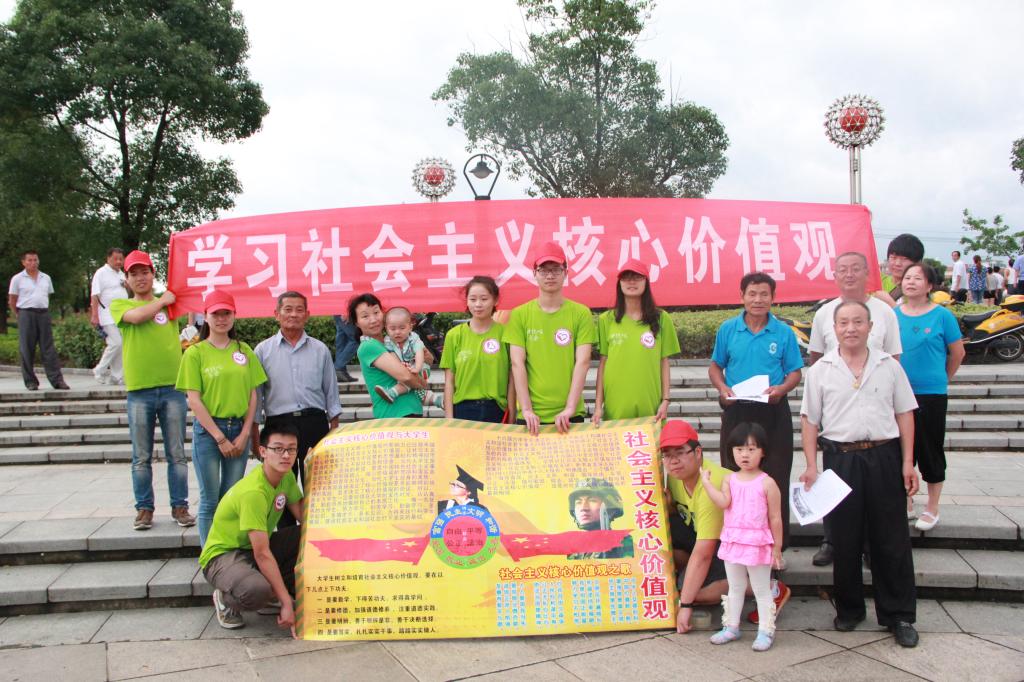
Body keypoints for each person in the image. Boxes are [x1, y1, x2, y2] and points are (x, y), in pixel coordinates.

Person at [799, 300, 920, 648]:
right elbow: (809, 420)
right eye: (843, 323)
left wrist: (907, 462)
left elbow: (905, 413)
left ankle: (899, 615)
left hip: (884, 455)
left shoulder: (888, 366)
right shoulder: (821, 370)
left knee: (891, 538)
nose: (850, 328)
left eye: (857, 322)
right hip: (841, 460)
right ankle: (849, 610)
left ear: (870, 327)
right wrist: (811, 465)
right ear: (834, 328)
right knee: (845, 538)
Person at [808, 251, 902, 567]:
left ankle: (872, 548)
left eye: (855, 269)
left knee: (877, 497)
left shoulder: (885, 312)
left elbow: (894, 361)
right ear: (835, 275)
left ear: (867, 273)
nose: (849, 275)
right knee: (836, 487)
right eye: (843, 270)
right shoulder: (824, 313)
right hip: (839, 416)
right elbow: (816, 359)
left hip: (875, 412)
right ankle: (832, 541)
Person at [709, 272, 801, 550]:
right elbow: (715, 366)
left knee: (776, 476)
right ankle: (737, 542)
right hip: (737, 410)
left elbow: (795, 372)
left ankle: (775, 547)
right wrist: (722, 388)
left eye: (764, 294)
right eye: (752, 294)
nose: (758, 299)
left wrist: (781, 389)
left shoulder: (783, 332)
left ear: (773, 297)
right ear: (742, 296)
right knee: (735, 475)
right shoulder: (728, 329)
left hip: (772, 410)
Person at [110, 250, 194, 531]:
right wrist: (162, 301)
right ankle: (144, 509)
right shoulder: (121, 304)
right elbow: (136, 318)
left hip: (172, 388)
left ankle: (180, 507)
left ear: (153, 273)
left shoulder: (169, 303)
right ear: (127, 279)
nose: (140, 278)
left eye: (144, 272)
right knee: (141, 456)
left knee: (176, 453)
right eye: (134, 274)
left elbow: (194, 298)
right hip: (139, 391)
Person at [176, 290, 267, 546]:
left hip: (238, 429)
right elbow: (194, 399)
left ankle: (228, 551)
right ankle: (210, 554)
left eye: (226, 313)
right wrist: (219, 437)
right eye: (216, 314)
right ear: (205, 316)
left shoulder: (244, 351)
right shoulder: (195, 353)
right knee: (209, 499)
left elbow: (253, 394)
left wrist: (245, 433)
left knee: (231, 496)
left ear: (234, 316)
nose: (221, 319)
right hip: (208, 432)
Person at [200, 421, 303, 633]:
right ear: (263, 451)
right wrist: (286, 603)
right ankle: (226, 600)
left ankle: (271, 594)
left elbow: (304, 516)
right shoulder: (254, 493)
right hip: (223, 555)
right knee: (255, 590)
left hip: (251, 549)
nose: (285, 455)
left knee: (306, 535)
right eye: (278, 449)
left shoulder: (286, 477)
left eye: (291, 449)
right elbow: (262, 553)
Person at [252, 291, 341, 528]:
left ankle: (320, 535)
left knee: (319, 485)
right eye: (288, 309)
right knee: (281, 487)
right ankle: (287, 538)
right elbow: (256, 397)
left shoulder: (320, 349)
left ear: (307, 315)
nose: (293, 314)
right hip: (278, 425)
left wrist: (333, 429)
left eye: (299, 310)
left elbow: (331, 392)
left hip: (314, 423)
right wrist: (255, 435)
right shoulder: (263, 351)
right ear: (276, 314)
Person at [701, 422, 783, 652]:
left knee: (761, 589)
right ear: (732, 451)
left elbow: (775, 517)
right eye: (739, 449)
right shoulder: (730, 479)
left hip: (757, 542)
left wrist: (777, 546)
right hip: (733, 539)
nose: (745, 455)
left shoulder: (767, 483)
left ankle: (766, 630)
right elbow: (723, 502)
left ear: (762, 451)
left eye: (751, 449)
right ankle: (731, 626)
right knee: (735, 586)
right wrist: (706, 483)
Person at [895, 264, 965, 531]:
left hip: (931, 394)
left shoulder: (942, 316)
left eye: (917, 278)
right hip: (898, 394)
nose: (910, 282)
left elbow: (957, 353)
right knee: (900, 450)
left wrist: (942, 379)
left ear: (929, 285)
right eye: (907, 277)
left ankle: (932, 507)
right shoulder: (893, 315)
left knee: (929, 448)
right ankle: (905, 501)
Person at [506, 241, 596, 436]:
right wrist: (527, 409)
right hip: (531, 418)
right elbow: (517, 363)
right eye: (544, 270)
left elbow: (583, 361)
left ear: (566, 272)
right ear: (534, 273)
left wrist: (570, 408)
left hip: (570, 415)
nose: (550, 275)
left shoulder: (581, 313)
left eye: (556, 269)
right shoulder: (519, 315)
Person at [661, 419, 730, 634]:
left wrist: (685, 605)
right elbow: (680, 517)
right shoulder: (676, 477)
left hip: (738, 548)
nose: (673, 461)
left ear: (698, 452)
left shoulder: (712, 483)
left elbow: (704, 553)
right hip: (703, 537)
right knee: (660, 534)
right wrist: (668, 505)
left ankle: (763, 587)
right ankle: (691, 582)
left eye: (680, 453)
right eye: (667, 455)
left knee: (689, 593)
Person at [592, 259, 679, 425]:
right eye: (626, 278)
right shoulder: (606, 320)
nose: (631, 282)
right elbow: (603, 363)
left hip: (650, 403)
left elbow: (664, 362)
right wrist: (598, 406)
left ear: (646, 282)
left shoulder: (661, 319)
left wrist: (666, 400)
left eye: (637, 277)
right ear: (619, 283)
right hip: (616, 402)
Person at [440, 276, 514, 423]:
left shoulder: (506, 334)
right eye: (473, 299)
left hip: (496, 410)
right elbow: (449, 381)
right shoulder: (454, 335)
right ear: (467, 301)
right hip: (462, 411)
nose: (478, 304)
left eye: (484, 299)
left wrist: (512, 416)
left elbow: (511, 379)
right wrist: (449, 418)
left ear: (495, 300)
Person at [350, 293, 428, 418]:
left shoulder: (393, 342)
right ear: (356, 323)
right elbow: (406, 376)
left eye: (376, 312)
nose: (373, 320)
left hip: (411, 410)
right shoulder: (369, 346)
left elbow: (426, 360)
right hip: (393, 415)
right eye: (365, 316)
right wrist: (423, 385)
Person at [7, 250, 69, 390]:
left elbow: (47, 295)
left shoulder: (45, 278)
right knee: (27, 348)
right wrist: (18, 314)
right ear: (23, 262)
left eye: (35, 260)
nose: (33, 263)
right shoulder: (17, 279)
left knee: (48, 348)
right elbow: (12, 299)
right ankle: (30, 381)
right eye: (29, 260)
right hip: (26, 313)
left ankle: (57, 380)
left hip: (43, 313)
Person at [374, 306, 443, 409]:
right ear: (386, 329)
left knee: (407, 380)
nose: (397, 332)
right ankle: (437, 400)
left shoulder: (413, 338)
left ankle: (392, 393)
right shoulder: (388, 341)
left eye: (402, 328)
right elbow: (392, 355)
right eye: (392, 329)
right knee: (418, 391)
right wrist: (399, 366)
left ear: (410, 327)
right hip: (405, 367)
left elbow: (419, 352)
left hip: (420, 367)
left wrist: (417, 368)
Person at [567, 478, 634, 560]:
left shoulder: (624, 542)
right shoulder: (573, 546)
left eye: (592, 500)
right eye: (578, 502)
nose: (583, 508)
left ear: (610, 509)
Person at [90, 247, 128, 385]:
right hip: (106, 314)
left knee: (120, 344)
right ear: (108, 258)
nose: (118, 262)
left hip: (121, 314)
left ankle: (116, 376)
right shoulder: (101, 273)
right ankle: (99, 370)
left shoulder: (121, 274)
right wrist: (94, 315)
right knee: (115, 342)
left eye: (121, 259)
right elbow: (95, 294)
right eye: (115, 259)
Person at [876, 234, 925, 306]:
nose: (897, 263)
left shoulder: (922, 290)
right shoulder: (877, 281)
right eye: (893, 257)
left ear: (918, 262)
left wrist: (890, 303)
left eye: (904, 259)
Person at [332, 313, 358, 382]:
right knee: (355, 339)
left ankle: (342, 373)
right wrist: (345, 312)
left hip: (337, 312)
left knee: (342, 341)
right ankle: (338, 367)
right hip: (342, 311)